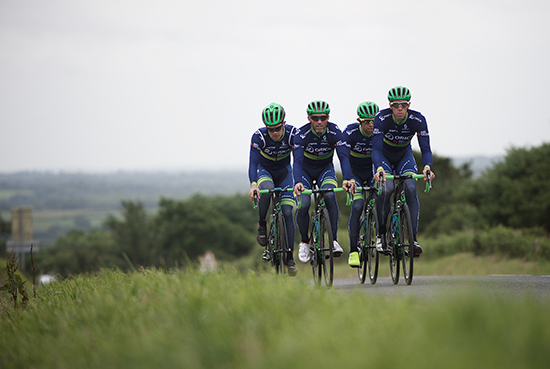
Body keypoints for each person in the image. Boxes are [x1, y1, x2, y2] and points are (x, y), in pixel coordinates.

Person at [372, 86, 435, 257]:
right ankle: (381, 233)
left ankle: (413, 239)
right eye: (396, 105)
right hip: (383, 156)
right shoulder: (381, 118)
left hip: (403, 156)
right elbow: (376, 149)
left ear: (409, 105)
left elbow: (426, 149)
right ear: (390, 106)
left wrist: (427, 166)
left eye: (403, 105)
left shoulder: (418, 119)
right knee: (387, 189)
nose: (400, 108)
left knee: (411, 188)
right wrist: (378, 168)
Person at [293, 100, 356, 264]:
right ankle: (305, 242)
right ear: (309, 118)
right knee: (304, 203)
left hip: (325, 170)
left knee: (329, 195)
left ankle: (333, 240)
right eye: (315, 118)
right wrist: (298, 182)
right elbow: (298, 162)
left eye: (323, 117)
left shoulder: (335, 132)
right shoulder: (301, 134)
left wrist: (348, 179)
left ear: (328, 117)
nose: (319, 121)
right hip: (305, 172)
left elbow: (343, 157)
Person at [248, 103, 298, 276]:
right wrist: (253, 184)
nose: (275, 133)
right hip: (265, 172)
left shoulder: (293, 133)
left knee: (288, 212)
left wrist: (299, 180)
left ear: (284, 123)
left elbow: (299, 160)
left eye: (277, 128)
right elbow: (253, 163)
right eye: (271, 129)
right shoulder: (259, 136)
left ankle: (290, 256)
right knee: (267, 189)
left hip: (285, 173)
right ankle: (262, 223)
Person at [342, 101, 379, 267]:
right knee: (357, 205)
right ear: (359, 121)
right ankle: (353, 251)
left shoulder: (381, 132)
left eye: (374, 121)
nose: (371, 125)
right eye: (367, 122)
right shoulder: (350, 132)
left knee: (383, 197)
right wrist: (348, 178)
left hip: (373, 173)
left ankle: (384, 237)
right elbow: (343, 158)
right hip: (355, 174)